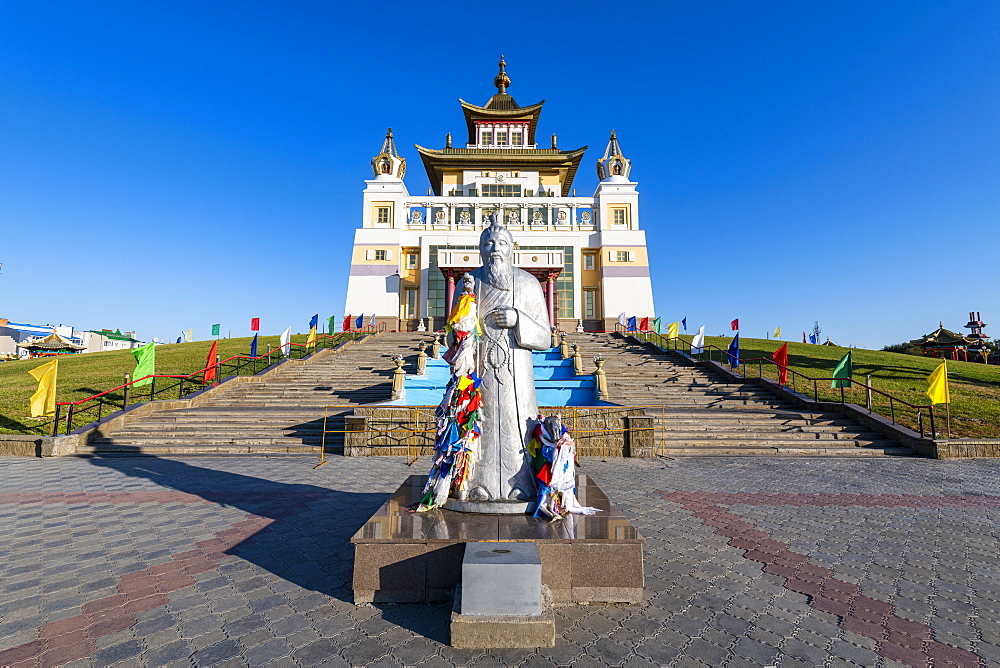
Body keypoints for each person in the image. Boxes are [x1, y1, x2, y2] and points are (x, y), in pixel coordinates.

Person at [447, 213, 550, 506]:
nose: (495, 249)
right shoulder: (469, 283)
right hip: (478, 373)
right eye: (488, 242)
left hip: (515, 374)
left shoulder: (529, 283)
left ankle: (525, 485)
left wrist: (518, 319)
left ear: (512, 248)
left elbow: (545, 338)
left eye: (501, 243)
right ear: (480, 249)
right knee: (478, 423)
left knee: (516, 423)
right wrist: (464, 309)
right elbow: (453, 335)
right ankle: (472, 483)